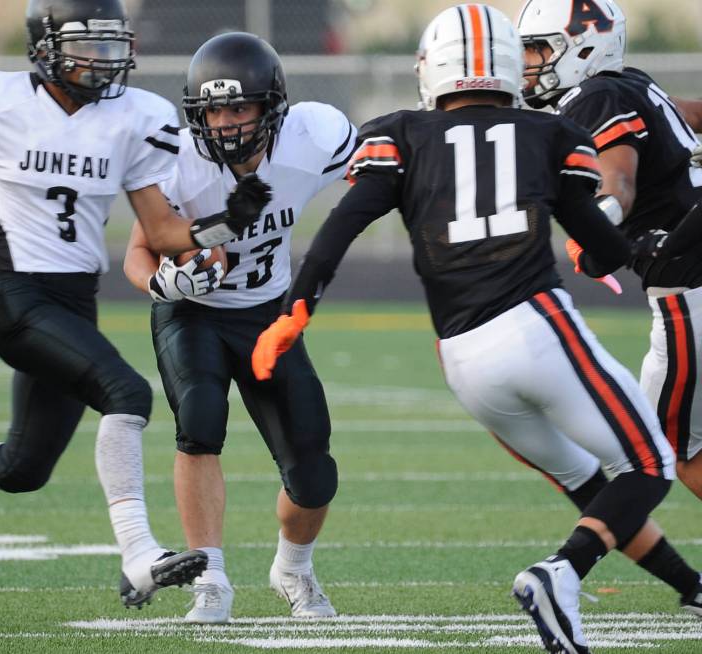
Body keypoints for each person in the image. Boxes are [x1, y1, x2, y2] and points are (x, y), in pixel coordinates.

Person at [251, 5, 684, 653]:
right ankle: (558, 575)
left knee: (589, 483)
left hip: (462, 359)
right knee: (650, 464)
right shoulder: (549, 133)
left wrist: (297, 309)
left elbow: (343, 224)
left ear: (431, 70)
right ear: (509, 65)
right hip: (536, 326)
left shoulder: (401, 132)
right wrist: (622, 251)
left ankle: (690, 584)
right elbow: (601, 242)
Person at [0, 0, 273, 608]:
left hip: (76, 301)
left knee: (24, 466)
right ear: (45, 46)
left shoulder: (133, 117)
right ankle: (139, 553)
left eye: (112, 44)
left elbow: (161, 233)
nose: (103, 59)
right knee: (128, 394)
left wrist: (219, 228)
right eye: (87, 44)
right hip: (16, 295)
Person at [123, 32, 354, 623]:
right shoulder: (177, 160)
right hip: (193, 312)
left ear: (271, 107)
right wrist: (163, 284)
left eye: (239, 108)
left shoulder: (311, 137)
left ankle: (294, 568)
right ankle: (210, 577)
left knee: (313, 469)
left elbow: (374, 174)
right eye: (213, 110)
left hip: (266, 312)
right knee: (199, 421)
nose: (225, 123)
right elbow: (136, 254)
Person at [518, 0, 702, 502]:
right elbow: (690, 114)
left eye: (537, 49)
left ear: (582, 44)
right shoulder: (635, 84)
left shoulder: (594, 96)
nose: (529, 65)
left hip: (689, 288)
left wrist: (597, 235)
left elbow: (617, 184)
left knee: (667, 447)